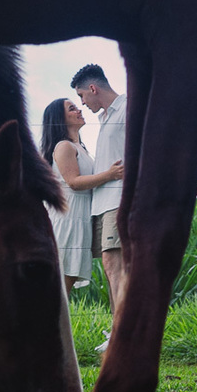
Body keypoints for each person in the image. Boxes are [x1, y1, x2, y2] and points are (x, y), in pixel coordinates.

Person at [40, 97, 123, 298]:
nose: (79, 110)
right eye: (72, 108)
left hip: (79, 218)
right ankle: (50, 327)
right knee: (60, 283)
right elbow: (74, 182)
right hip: (68, 220)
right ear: (60, 118)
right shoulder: (64, 146)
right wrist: (110, 174)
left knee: (65, 282)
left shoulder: (80, 148)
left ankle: (54, 327)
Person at [70, 64, 126, 322]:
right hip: (101, 204)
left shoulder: (128, 108)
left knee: (116, 267)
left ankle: (125, 335)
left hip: (119, 199)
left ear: (92, 88)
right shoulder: (105, 118)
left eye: (82, 96)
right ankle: (118, 332)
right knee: (110, 268)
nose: (82, 102)